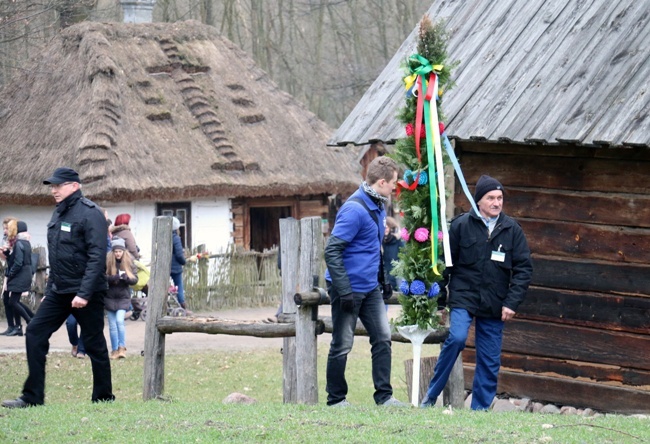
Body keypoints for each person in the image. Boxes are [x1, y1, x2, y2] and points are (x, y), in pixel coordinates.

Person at [2, 167, 115, 408]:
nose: (54, 190)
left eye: (58, 185)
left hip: (87, 291)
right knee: (34, 332)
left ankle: (103, 397)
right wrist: (51, 289)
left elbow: (97, 256)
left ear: (74, 186)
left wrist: (84, 293)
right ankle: (32, 397)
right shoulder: (58, 214)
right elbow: (57, 256)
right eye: (52, 186)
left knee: (94, 343)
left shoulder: (90, 213)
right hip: (59, 290)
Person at [421, 175, 533, 410]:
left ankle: (479, 409)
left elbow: (524, 269)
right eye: (491, 198)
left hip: (495, 301)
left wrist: (512, 302)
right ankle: (431, 396)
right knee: (457, 338)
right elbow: (445, 264)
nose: (496, 202)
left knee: (490, 358)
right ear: (478, 201)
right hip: (465, 296)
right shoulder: (461, 225)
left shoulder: (512, 230)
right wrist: (441, 300)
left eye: (500, 198)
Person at [323, 156, 407, 407]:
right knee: (342, 344)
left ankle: (384, 397)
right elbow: (332, 251)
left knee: (383, 338)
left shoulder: (378, 205)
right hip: (347, 288)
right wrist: (344, 291)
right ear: (381, 182)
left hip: (370, 287)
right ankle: (336, 399)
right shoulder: (354, 210)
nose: (395, 187)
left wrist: (383, 280)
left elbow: (372, 248)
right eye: (393, 183)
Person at [105, 237, 138, 359]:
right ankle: (114, 350)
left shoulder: (129, 262)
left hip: (123, 297)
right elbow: (101, 277)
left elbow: (135, 279)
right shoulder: (107, 262)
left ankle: (122, 348)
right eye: (116, 251)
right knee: (112, 325)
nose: (118, 253)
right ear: (113, 252)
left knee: (119, 321)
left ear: (124, 251)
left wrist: (126, 278)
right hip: (109, 297)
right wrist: (111, 278)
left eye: (120, 251)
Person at [2, 220, 35, 336]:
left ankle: (31, 322)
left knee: (13, 302)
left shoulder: (19, 243)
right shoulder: (24, 242)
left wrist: (10, 274)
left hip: (20, 275)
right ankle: (25, 324)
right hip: (23, 274)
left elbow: (18, 262)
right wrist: (7, 253)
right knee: (14, 301)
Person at [170, 217, 187, 310]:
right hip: (175, 266)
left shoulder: (162, 237)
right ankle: (182, 305)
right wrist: (184, 262)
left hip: (164, 266)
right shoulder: (175, 238)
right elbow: (179, 254)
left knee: (164, 287)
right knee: (179, 285)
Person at [382, 216, 404, 289]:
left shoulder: (398, 241)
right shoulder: (381, 242)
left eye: (387, 227)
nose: (385, 230)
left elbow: (403, 256)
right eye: (383, 227)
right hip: (386, 276)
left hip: (398, 275)